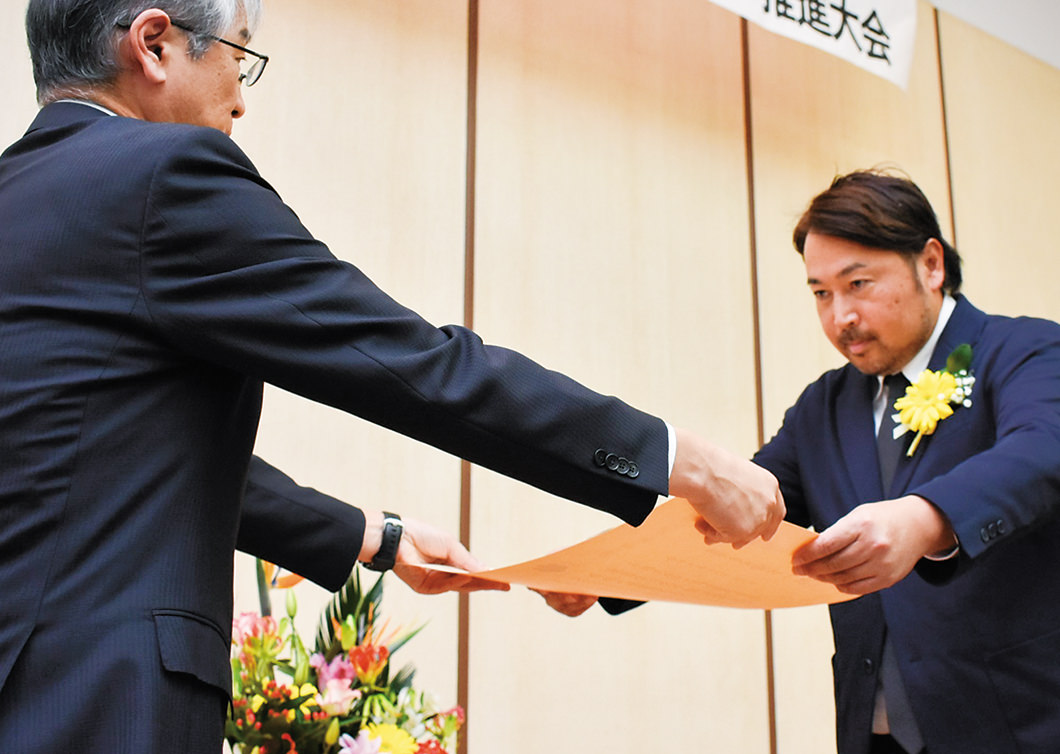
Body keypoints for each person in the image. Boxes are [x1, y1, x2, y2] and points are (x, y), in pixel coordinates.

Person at [0, 1, 784, 751]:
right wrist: (675, 458)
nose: (241, 102)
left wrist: (378, 539)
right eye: (240, 54)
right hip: (95, 695)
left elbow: (108, 459)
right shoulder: (164, 174)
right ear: (154, 43)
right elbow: (410, 362)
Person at [752, 169, 1060, 754]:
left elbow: (1044, 449)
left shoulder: (1023, 350)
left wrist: (925, 520)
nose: (839, 316)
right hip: (874, 732)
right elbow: (749, 498)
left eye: (858, 283)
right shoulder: (824, 404)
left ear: (931, 265)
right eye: (821, 293)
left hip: (1017, 724)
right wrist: (608, 578)